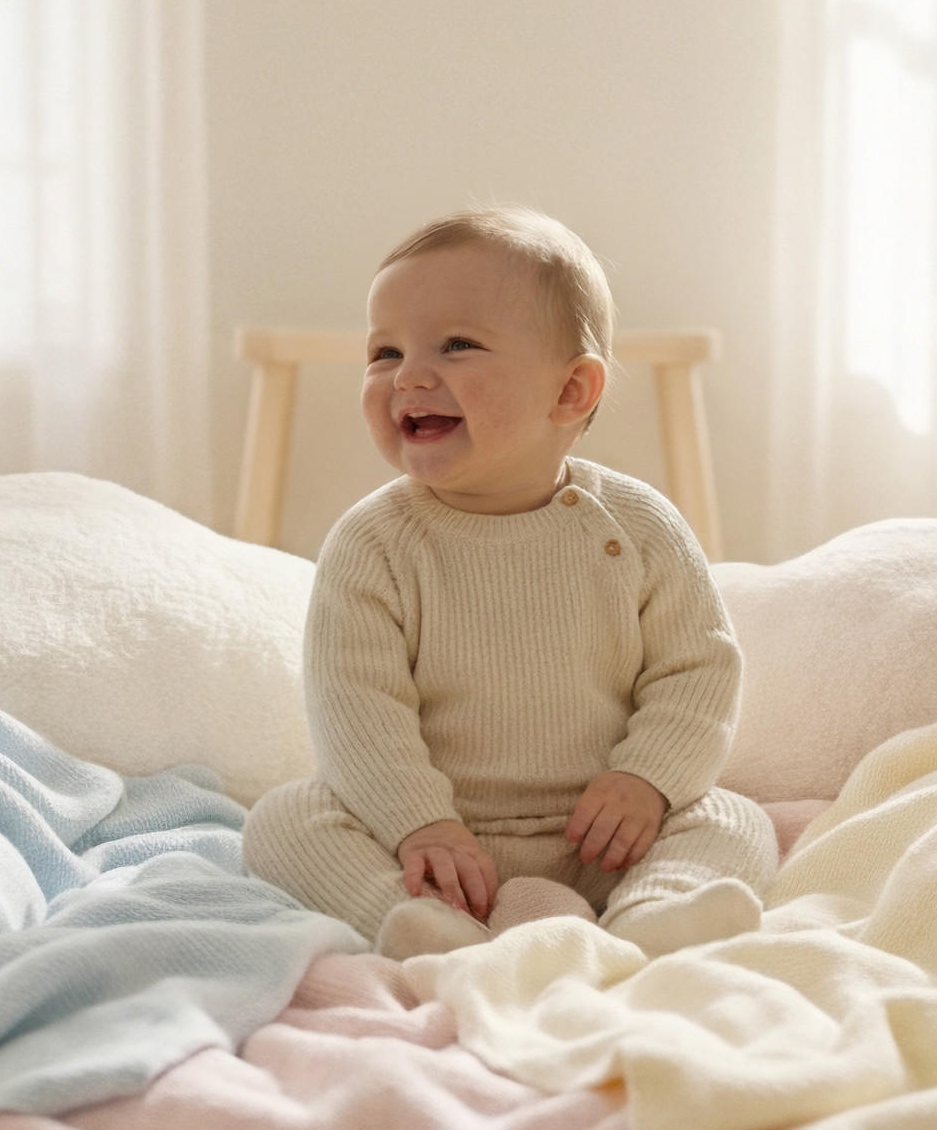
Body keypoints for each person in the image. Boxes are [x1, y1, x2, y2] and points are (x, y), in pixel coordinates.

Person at [240, 207, 777, 960]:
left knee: (731, 817)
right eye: (385, 351)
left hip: (607, 836)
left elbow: (700, 668)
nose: (410, 375)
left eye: (456, 345)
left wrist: (647, 781)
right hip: (438, 853)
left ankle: (654, 916)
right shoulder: (373, 543)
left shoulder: (640, 526)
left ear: (570, 393)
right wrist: (417, 822)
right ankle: (412, 922)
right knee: (284, 819)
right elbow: (355, 708)